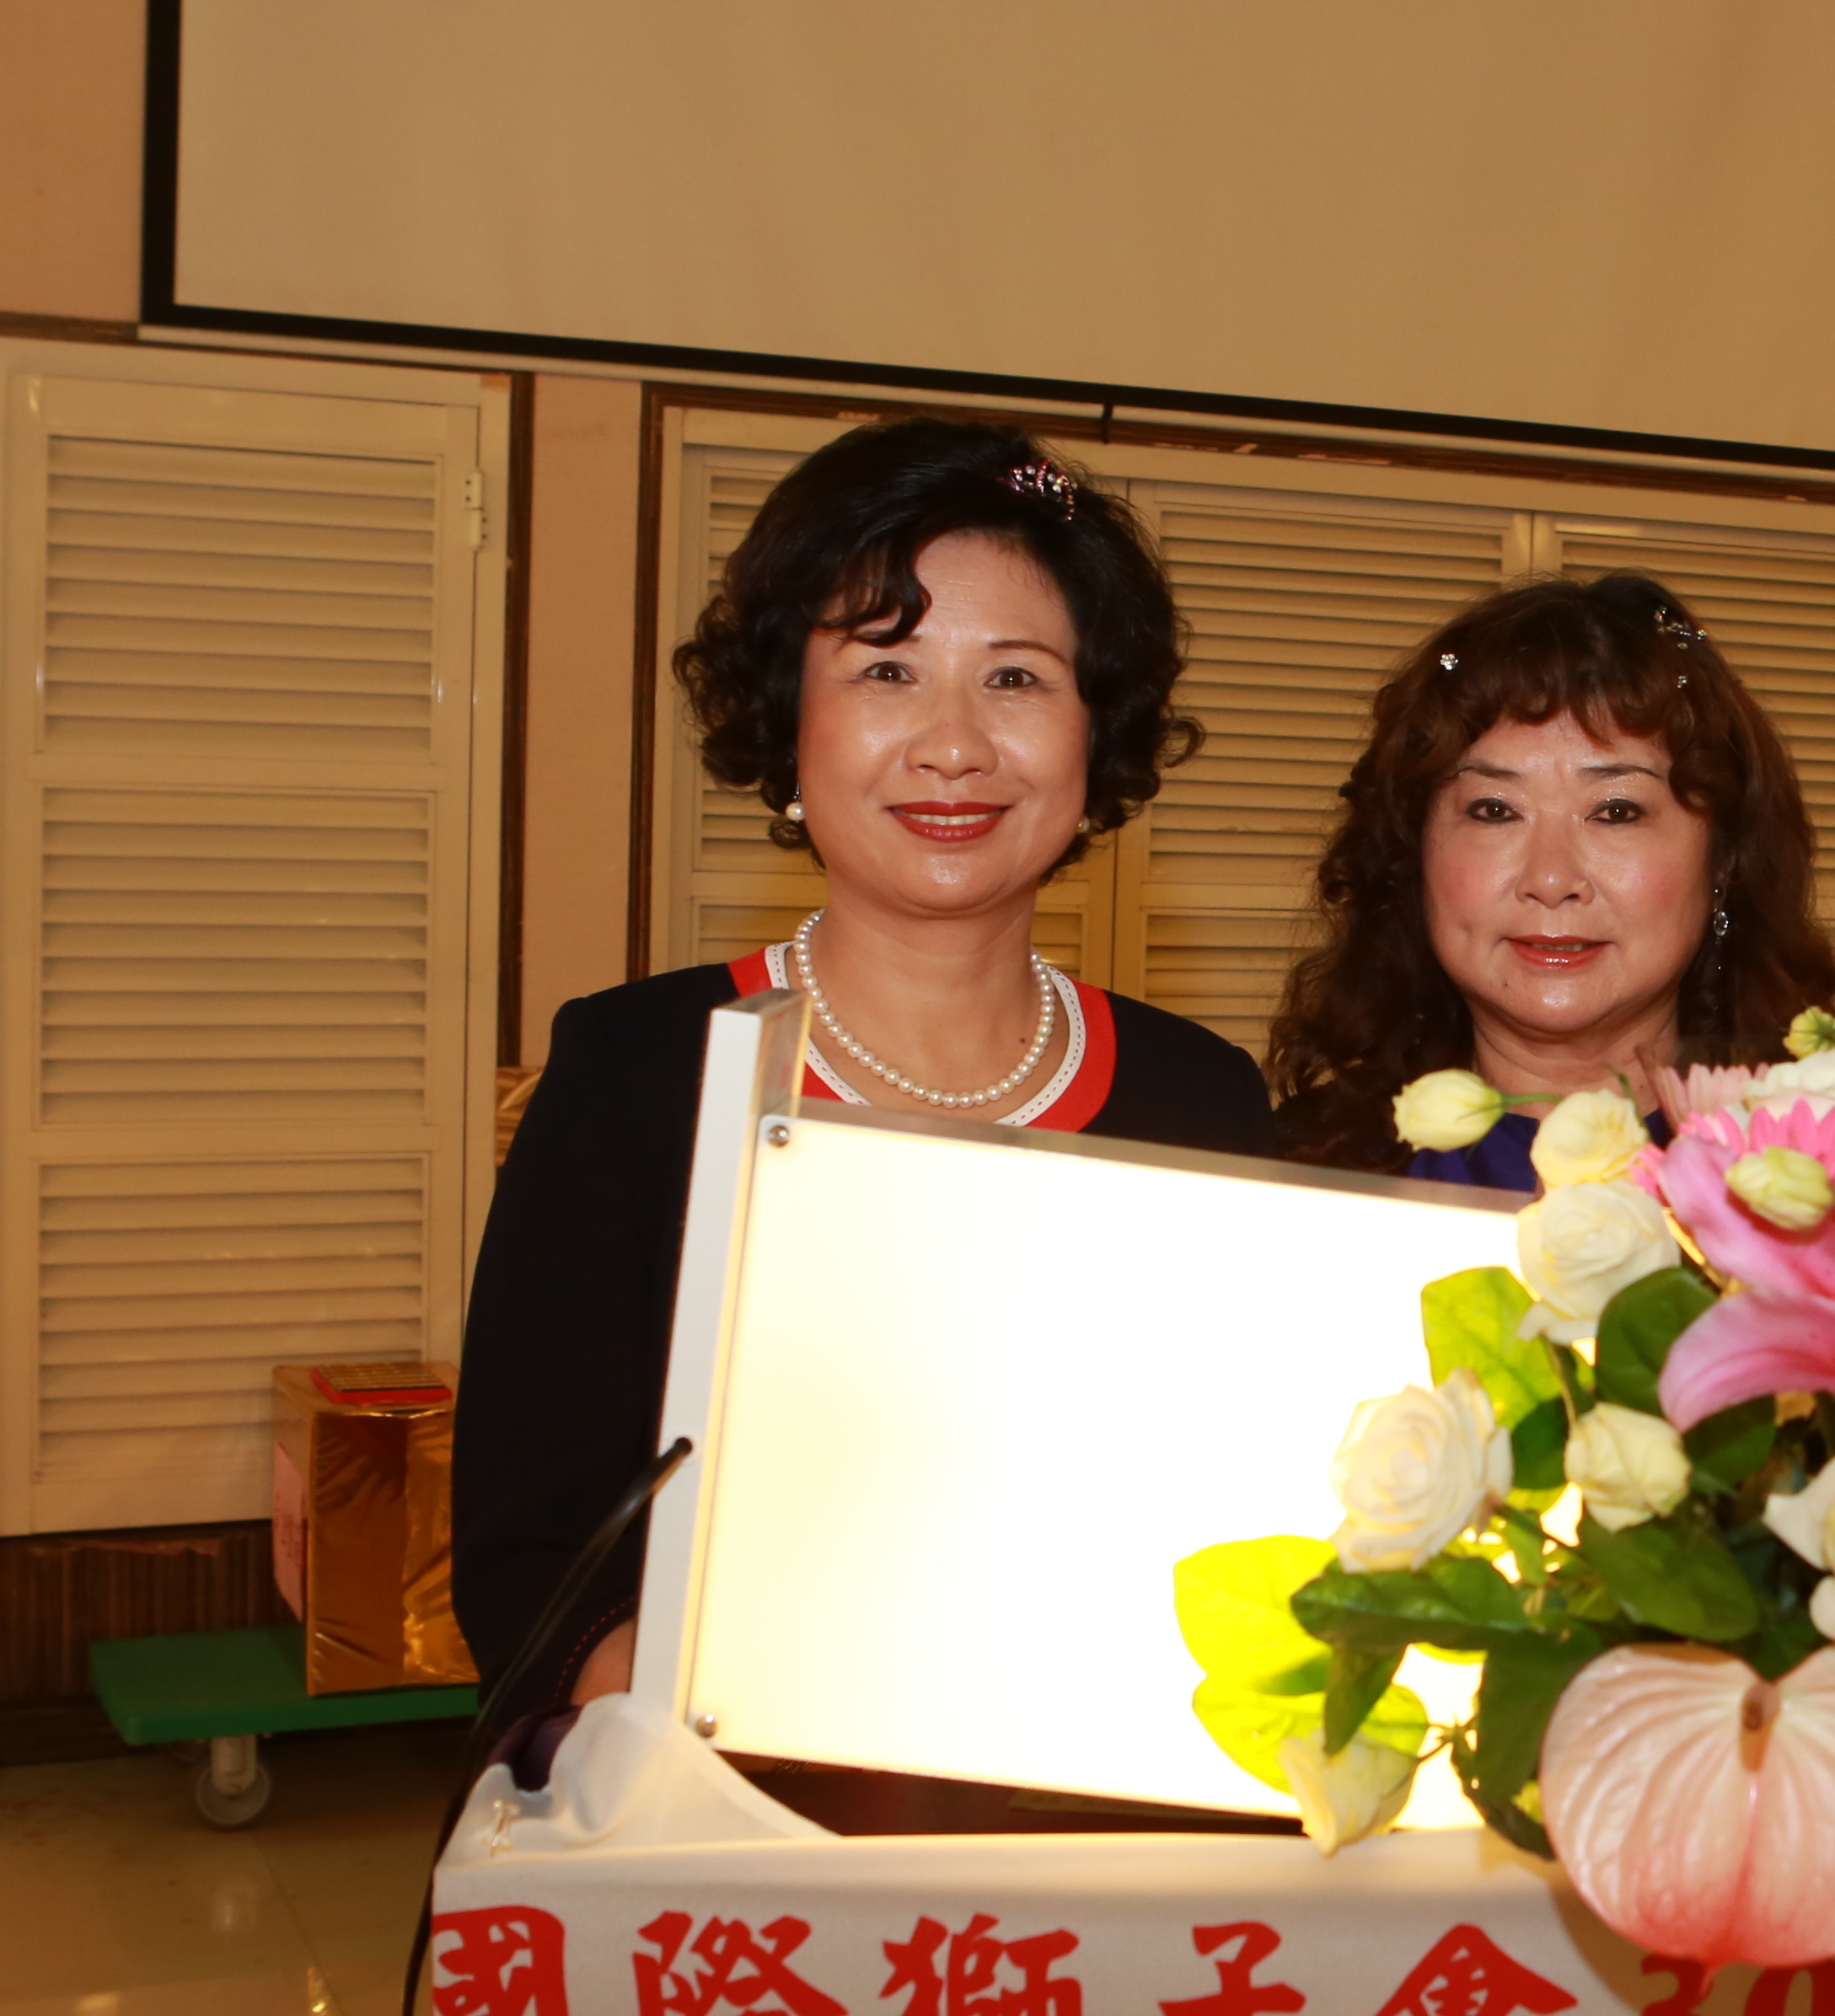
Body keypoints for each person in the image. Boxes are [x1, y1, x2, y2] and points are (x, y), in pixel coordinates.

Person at [453, 418, 1274, 1714]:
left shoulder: (1203, 1099)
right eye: (887, 670)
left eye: (1016, 678)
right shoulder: (639, 1074)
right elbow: (532, 1569)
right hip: (725, 1800)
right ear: (790, 722)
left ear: (1095, 733)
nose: (954, 744)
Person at [1268, 572, 1835, 1185]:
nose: (1549, 878)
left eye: (1616, 812)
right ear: (1414, 855)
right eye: (1495, 810)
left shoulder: (1831, 1181)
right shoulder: (1289, 1175)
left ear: (1723, 859)